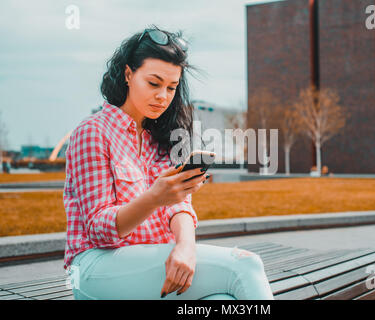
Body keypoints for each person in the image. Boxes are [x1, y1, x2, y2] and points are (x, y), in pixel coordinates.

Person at [63, 26, 274, 300]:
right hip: (96, 268)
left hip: (149, 265)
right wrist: (153, 198)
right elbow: (98, 230)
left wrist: (186, 247)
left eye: (172, 87)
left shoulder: (161, 136)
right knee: (245, 266)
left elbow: (179, 206)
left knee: (220, 302)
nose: (163, 95)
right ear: (128, 74)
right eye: (154, 83)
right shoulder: (92, 132)